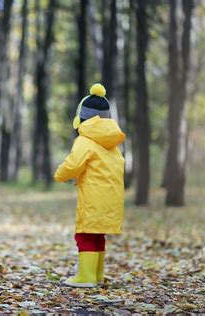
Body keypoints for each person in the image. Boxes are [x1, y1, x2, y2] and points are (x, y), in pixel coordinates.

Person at [54, 83, 125, 287]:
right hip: (111, 201)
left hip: (93, 200)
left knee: (84, 235)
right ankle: (97, 275)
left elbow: (74, 164)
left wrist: (60, 175)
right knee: (97, 236)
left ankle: (85, 277)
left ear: (81, 118)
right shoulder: (112, 145)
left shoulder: (85, 141)